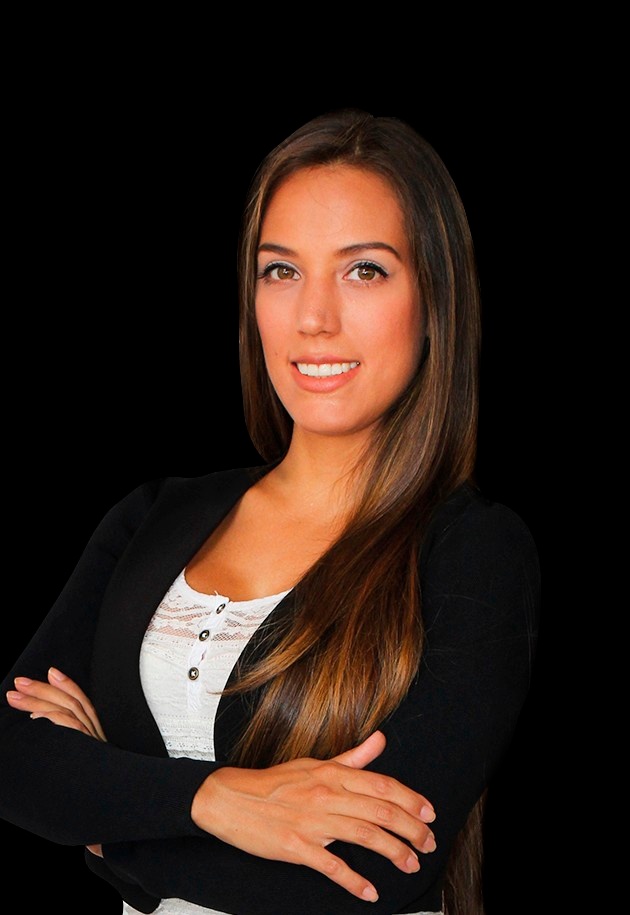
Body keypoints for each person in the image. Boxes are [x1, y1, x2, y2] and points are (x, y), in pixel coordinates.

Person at [0, 108, 540, 915]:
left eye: (364, 271)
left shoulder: (473, 552)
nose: (313, 317)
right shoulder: (153, 516)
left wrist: (107, 819)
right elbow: (14, 757)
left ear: (435, 298)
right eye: (281, 270)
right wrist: (212, 798)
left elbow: (374, 867)